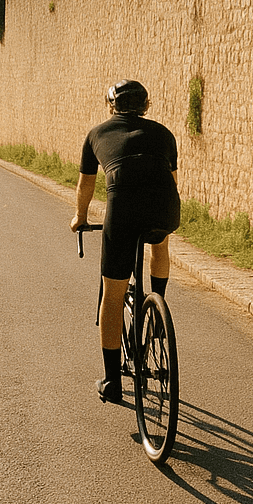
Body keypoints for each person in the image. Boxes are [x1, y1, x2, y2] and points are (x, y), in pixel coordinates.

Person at [70, 79, 179, 405]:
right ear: (146, 106)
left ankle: (112, 381)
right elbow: (171, 181)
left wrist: (80, 217)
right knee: (160, 243)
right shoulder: (164, 133)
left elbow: (85, 186)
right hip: (165, 207)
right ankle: (156, 307)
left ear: (111, 107)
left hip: (123, 210)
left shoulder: (96, 134)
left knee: (113, 295)